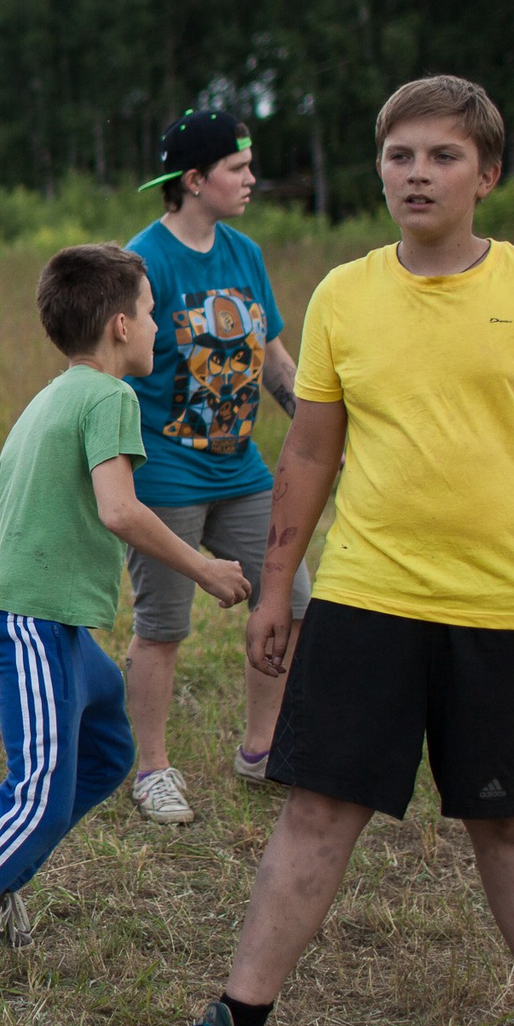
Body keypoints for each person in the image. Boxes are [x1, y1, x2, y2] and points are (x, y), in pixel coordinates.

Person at [148, 75, 514, 1026]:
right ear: (377, 169)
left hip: (503, 610)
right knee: (317, 811)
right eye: (398, 156)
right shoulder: (346, 293)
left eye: (440, 156)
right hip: (365, 601)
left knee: (510, 821)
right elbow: (307, 450)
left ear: (487, 173)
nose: (416, 174)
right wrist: (277, 589)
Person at [0, 244, 251, 1026]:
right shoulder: (109, 396)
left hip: (58, 626)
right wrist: (203, 566)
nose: (156, 324)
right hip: (31, 621)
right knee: (38, 787)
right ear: (117, 325)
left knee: (107, 750)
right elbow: (119, 509)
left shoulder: (57, 394)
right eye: (147, 311)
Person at [119, 109, 312, 825]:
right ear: (194, 180)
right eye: (239, 168)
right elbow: (114, 366)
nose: (252, 179)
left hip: (242, 469)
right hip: (165, 468)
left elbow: (272, 357)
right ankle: (153, 770)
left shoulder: (244, 252)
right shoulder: (143, 263)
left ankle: (262, 748)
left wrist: (317, 424)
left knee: (288, 602)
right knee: (163, 625)